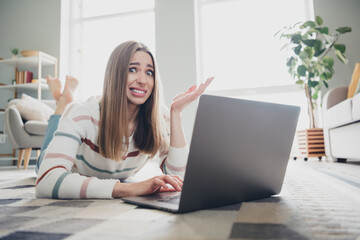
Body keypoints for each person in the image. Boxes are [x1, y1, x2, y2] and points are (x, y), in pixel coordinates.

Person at [35, 40, 213, 199]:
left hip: (112, 172)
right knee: (44, 159)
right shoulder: (82, 113)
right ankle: (62, 104)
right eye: (132, 69)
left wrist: (176, 113)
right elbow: (47, 181)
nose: (143, 80)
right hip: (73, 163)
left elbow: (178, 179)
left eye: (149, 72)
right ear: (115, 74)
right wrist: (128, 189)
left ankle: (62, 101)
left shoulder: (160, 116)